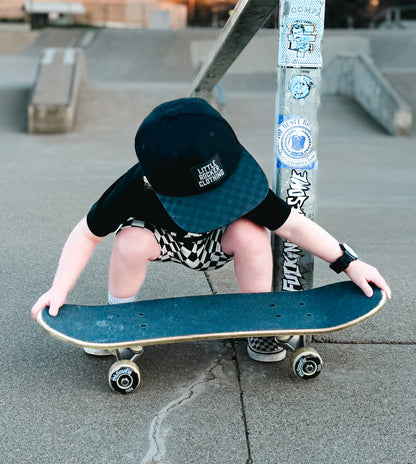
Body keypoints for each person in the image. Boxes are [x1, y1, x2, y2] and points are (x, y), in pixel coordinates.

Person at [30, 98, 391, 362]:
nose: (219, 200)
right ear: (153, 183)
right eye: (205, 199)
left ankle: (258, 319)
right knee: (128, 241)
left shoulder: (232, 173)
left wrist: (349, 262)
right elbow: (87, 234)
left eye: (223, 192)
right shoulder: (134, 187)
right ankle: (120, 322)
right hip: (165, 240)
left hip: (221, 240)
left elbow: (292, 225)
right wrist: (59, 289)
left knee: (253, 234)